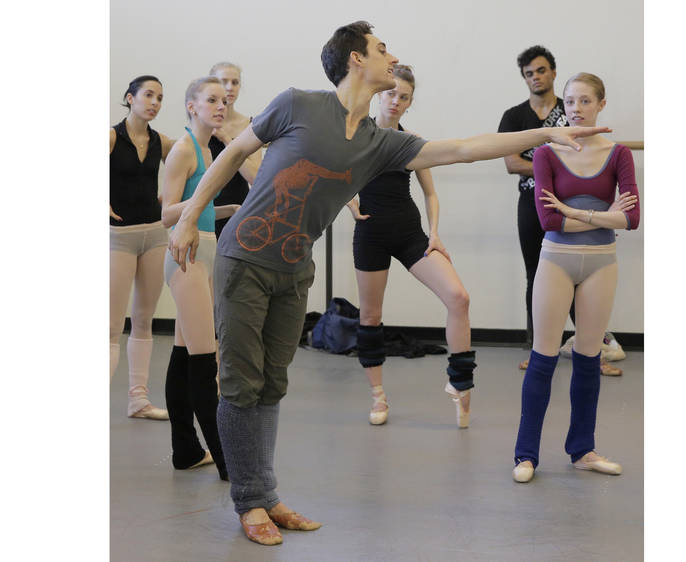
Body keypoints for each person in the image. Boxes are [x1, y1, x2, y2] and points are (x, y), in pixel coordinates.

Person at [167, 21, 608, 546]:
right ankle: (249, 502)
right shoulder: (298, 104)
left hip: (293, 268)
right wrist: (191, 214)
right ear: (356, 60)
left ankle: (266, 492)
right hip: (244, 257)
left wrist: (546, 134)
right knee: (242, 382)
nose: (390, 55)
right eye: (381, 49)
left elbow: (465, 148)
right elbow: (235, 152)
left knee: (272, 383)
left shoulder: (379, 144)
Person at [511, 72, 640, 484]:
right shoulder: (548, 153)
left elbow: (633, 218)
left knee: (589, 358)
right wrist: (604, 216)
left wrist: (575, 213)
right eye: (570, 102)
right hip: (556, 261)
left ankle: (582, 450)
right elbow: (547, 219)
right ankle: (526, 454)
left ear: (601, 104)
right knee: (543, 357)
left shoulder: (619, 154)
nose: (577, 108)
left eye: (585, 101)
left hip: (602, 262)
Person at [345, 64, 472, 428]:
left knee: (458, 297)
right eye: (392, 94)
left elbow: (431, 193)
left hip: (409, 234)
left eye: (404, 98)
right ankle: (378, 396)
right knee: (370, 316)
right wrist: (348, 200)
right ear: (379, 93)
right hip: (370, 234)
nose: (396, 101)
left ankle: (460, 382)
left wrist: (434, 233)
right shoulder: (355, 135)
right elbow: (334, 177)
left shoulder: (410, 140)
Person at [498, 46, 623, 375]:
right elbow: (512, 163)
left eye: (541, 70)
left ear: (553, 73)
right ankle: (537, 347)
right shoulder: (515, 116)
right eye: (529, 73)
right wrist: (547, 174)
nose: (535, 77)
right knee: (536, 274)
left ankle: (590, 349)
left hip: (576, 201)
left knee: (582, 276)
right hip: (532, 203)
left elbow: (588, 159)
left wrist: (560, 174)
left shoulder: (570, 110)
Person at [160, 76, 241, 480]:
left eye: (224, 101)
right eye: (211, 100)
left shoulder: (210, 150)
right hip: (186, 256)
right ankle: (228, 463)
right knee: (204, 361)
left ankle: (186, 451)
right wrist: (206, 197)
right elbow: (167, 213)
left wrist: (227, 209)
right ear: (191, 106)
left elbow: (201, 211)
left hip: (205, 249)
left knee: (182, 355)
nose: (220, 106)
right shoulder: (183, 151)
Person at [110, 75, 175, 419]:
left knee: (143, 319)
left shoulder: (160, 141)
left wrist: (172, 197)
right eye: (148, 95)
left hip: (153, 235)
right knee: (110, 326)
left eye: (160, 97)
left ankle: (139, 399)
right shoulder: (110, 137)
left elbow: (194, 161)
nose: (154, 102)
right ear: (130, 97)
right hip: (118, 237)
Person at [208, 62, 262, 240]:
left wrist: (227, 141)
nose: (230, 88)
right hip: (207, 210)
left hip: (239, 210)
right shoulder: (203, 125)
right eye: (224, 82)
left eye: (235, 82)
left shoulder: (250, 126)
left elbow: (255, 178)